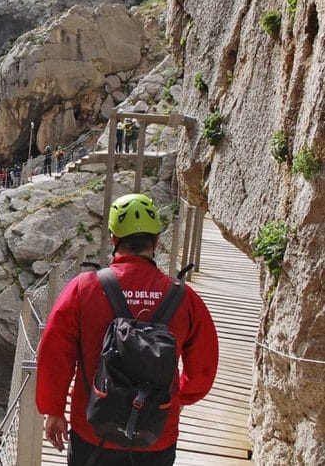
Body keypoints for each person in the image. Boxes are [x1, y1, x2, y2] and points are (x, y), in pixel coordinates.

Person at [35, 193, 218, 466]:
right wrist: (179, 396)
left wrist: (54, 410)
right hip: (156, 432)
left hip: (93, 429)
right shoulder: (184, 297)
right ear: (156, 241)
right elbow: (204, 365)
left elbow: (54, 355)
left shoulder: (83, 289)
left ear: (112, 238)